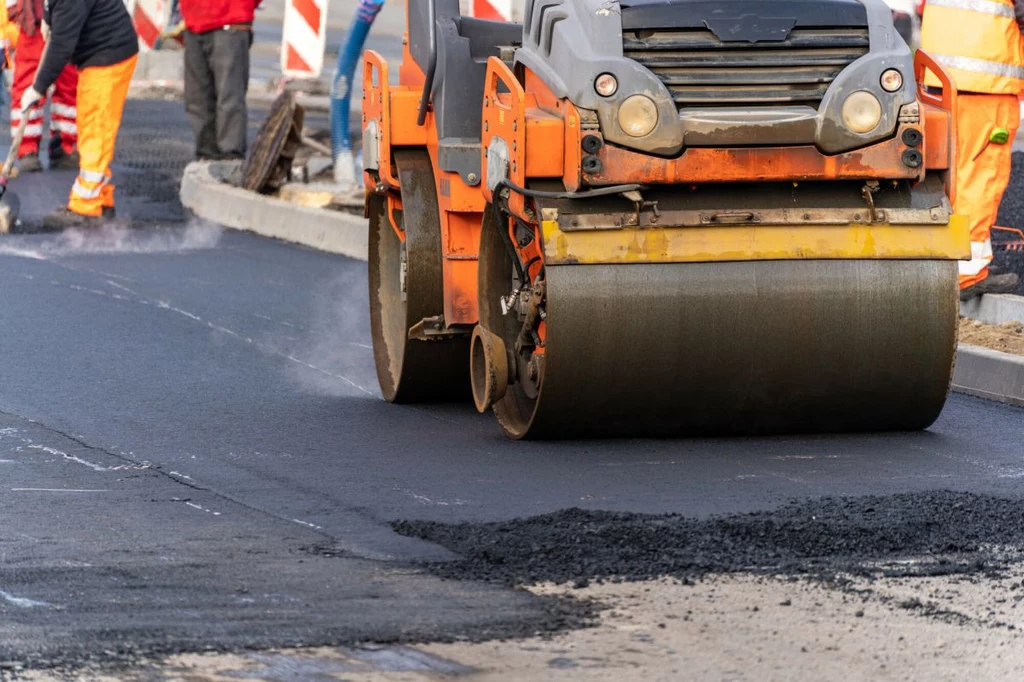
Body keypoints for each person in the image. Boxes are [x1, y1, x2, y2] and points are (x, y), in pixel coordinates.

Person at [921, 0, 1024, 300]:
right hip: (986, 84)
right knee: (981, 176)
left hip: (939, 80)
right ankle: (968, 272)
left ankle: (938, 265)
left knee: (948, 174)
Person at [21, 0, 138, 230]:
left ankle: (86, 205)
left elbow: (61, 46)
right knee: (89, 126)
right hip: (99, 53)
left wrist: (37, 88)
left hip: (108, 57)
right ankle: (101, 198)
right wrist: (47, 17)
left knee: (96, 128)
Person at [180, 0, 261, 161]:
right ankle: (207, 154)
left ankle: (230, 157)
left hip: (231, 22)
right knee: (197, 98)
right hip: (194, 21)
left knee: (229, 96)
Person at [9, 0, 79, 173]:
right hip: (33, 20)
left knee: (70, 83)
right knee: (28, 83)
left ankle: (64, 145)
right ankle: (26, 149)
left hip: (67, 20)